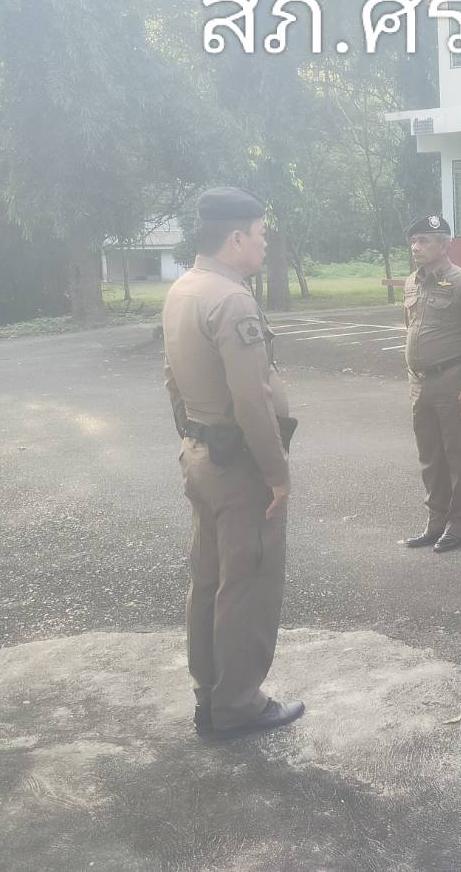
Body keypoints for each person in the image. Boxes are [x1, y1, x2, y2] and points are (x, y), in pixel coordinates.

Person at [163, 186, 304, 738]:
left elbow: (172, 379)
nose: (266, 243)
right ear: (237, 237)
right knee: (247, 585)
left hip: (201, 455)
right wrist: (276, 474)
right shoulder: (230, 298)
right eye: (261, 234)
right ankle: (238, 706)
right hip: (238, 466)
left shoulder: (184, 289)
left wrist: (193, 435)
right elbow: (251, 401)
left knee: (210, 579)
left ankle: (210, 693)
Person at [400, 213, 461, 553]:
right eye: (414, 241)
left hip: (454, 381)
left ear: (444, 245)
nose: (416, 247)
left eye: (424, 240)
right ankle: (436, 521)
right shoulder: (412, 282)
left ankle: (460, 524)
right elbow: (411, 326)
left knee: (460, 455)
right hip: (420, 383)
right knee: (430, 455)